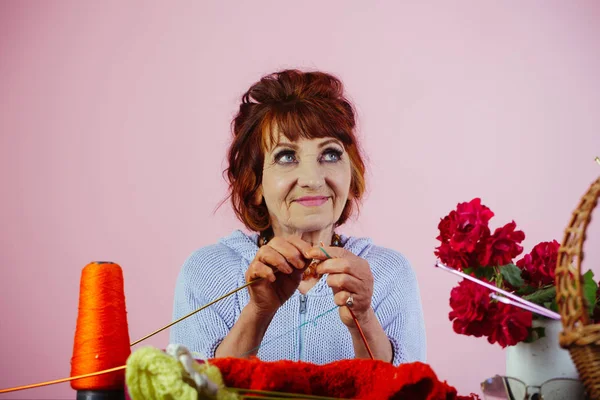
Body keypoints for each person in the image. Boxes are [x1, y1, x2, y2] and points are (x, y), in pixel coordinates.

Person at [170, 69, 426, 366]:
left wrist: (364, 319)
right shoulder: (207, 272)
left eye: (330, 154)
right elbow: (192, 392)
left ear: (351, 175)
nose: (312, 179)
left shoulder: (389, 273)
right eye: (286, 157)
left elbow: (409, 391)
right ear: (254, 185)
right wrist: (258, 312)